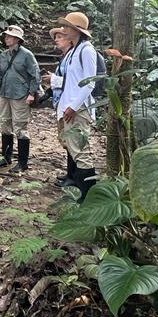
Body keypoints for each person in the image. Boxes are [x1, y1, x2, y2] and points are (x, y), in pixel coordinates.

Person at [51, 12, 104, 202]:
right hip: (69, 105)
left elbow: (89, 83)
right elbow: (71, 82)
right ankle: (83, 194)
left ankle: (88, 198)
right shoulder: (74, 51)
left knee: (82, 152)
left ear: (76, 30)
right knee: (74, 149)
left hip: (79, 108)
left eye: (67, 27)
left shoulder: (87, 50)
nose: (63, 30)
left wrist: (73, 106)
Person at [0, 25, 40, 173]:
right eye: (6, 36)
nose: (6, 38)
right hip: (4, 94)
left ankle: (23, 162)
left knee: (20, 127)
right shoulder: (3, 55)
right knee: (5, 124)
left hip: (20, 95)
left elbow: (35, 74)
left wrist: (32, 93)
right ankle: (6, 157)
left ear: (18, 39)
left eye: (10, 36)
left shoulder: (26, 55)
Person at [45, 26, 75, 188]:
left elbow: (73, 81)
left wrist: (53, 79)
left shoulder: (75, 56)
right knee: (66, 140)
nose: (56, 40)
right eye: (55, 37)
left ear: (70, 38)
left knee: (72, 141)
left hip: (71, 104)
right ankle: (70, 174)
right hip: (62, 101)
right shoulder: (66, 56)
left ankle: (74, 176)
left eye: (60, 37)